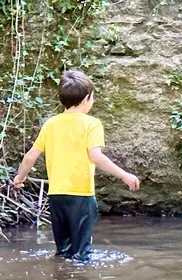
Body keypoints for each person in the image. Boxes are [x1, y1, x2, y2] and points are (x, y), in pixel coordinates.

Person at [12, 70, 141, 261]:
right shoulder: (92, 124)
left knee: (63, 251)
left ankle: (60, 278)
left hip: (56, 196)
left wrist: (19, 177)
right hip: (81, 196)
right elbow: (95, 156)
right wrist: (124, 175)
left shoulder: (51, 124)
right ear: (87, 98)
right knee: (82, 254)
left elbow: (30, 157)